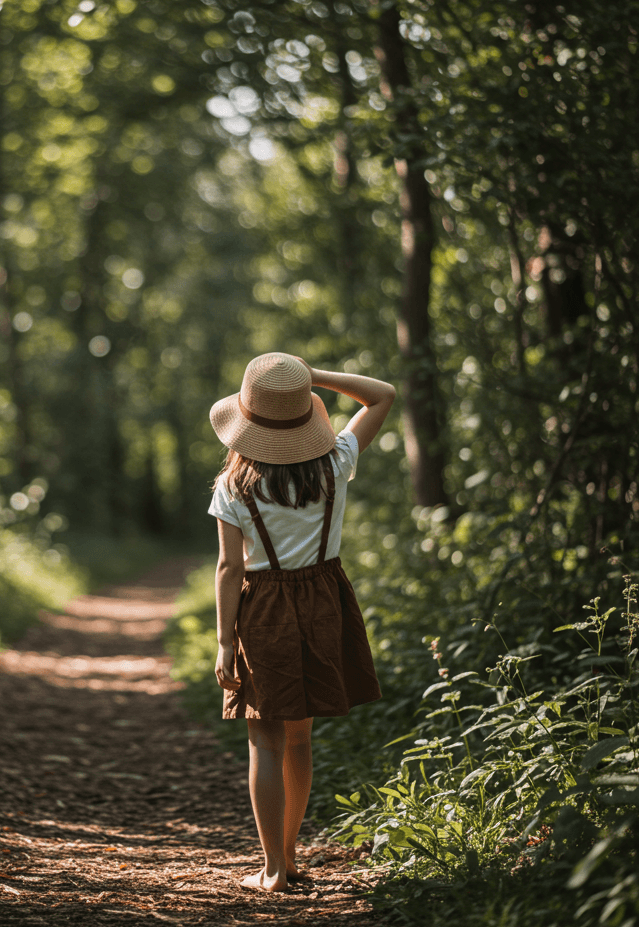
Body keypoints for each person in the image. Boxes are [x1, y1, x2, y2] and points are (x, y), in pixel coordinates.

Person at [207, 351, 395, 892]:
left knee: (264, 741)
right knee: (299, 741)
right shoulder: (336, 462)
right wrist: (313, 377)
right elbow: (382, 393)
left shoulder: (234, 486)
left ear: (245, 420)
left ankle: (271, 870)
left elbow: (229, 567)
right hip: (323, 599)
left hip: (262, 607)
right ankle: (289, 858)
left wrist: (225, 642)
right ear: (306, 414)